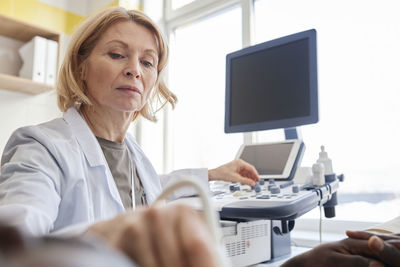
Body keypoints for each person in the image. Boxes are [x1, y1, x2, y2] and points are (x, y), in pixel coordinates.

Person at [0, 6, 259, 266]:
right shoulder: (39, 147)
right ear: (81, 67)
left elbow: (151, 188)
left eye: (147, 62)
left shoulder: (135, 155)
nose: (134, 70)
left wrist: (212, 174)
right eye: (117, 54)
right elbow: (14, 243)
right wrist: (100, 238)